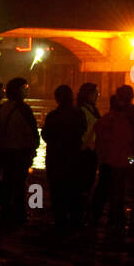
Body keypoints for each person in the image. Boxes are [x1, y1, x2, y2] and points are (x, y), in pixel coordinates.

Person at [91, 86, 134, 233]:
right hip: (126, 159)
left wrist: (103, 156)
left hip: (111, 159)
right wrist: (133, 162)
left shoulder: (110, 117)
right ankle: (117, 221)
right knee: (121, 191)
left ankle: (98, 218)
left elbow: (99, 132)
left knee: (108, 189)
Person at [42, 84, 86, 231]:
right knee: (74, 191)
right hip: (74, 158)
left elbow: (46, 135)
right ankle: (75, 220)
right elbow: (82, 130)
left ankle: (60, 221)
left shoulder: (53, 116)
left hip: (56, 159)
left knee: (58, 192)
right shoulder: (78, 114)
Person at [0, 78, 38, 228]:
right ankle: (20, 212)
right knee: (20, 182)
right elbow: (32, 130)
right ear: (19, 90)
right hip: (21, 150)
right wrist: (34, 147)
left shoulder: (4, 107)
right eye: (25, 87)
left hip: (6, 149)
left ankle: (5, 210)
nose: (27, 90)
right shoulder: (24, 109)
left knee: (7, 180)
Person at [76, 81, 101, 221]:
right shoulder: (81, 111)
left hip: (92, 150)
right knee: (83, 183)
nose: (97, 95)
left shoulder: (92, 109)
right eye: (95, 93)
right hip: (85, 151)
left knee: (89, 181)